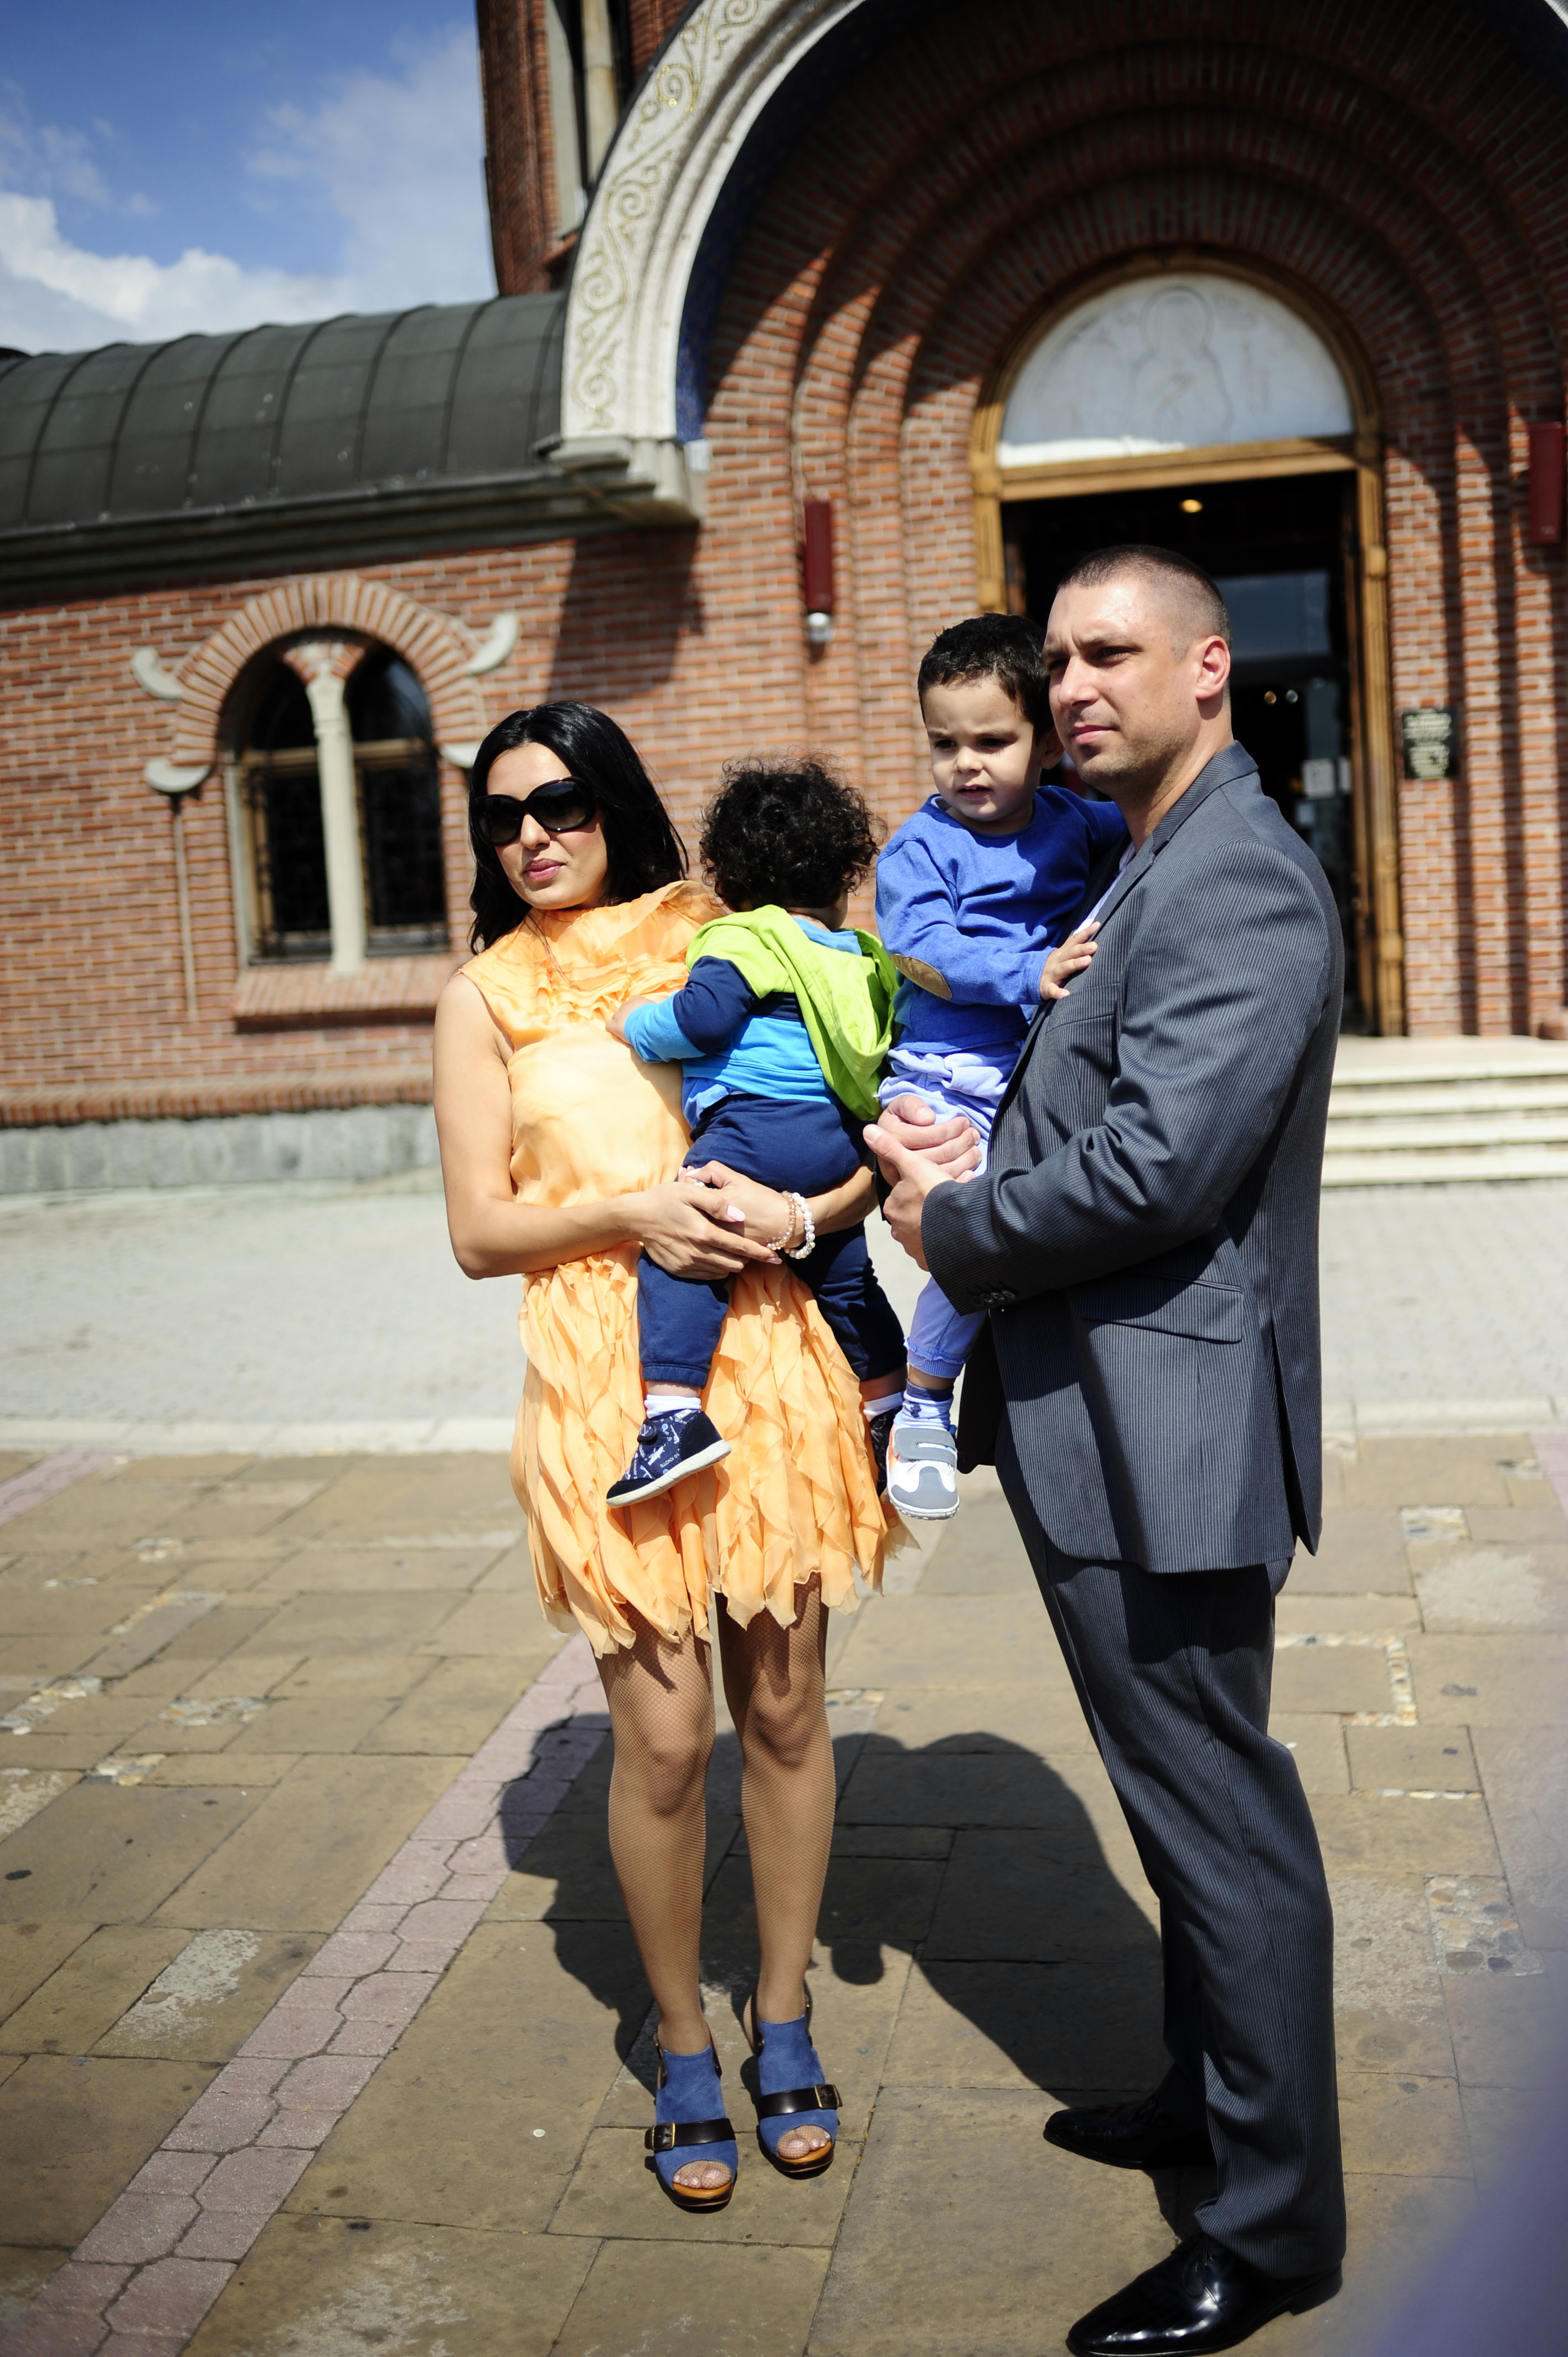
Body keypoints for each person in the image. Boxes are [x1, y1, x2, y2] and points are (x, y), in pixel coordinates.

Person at [870, 548, 1347, 2356]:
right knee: (1176, 1805)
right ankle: (1208, 2096)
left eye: (1109, 653)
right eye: (1058, 657)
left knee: (1223, 1824)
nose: (1071, 685)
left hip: (1170, 1434)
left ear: (1209, 666)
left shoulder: (1234, 875)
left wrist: (956, 1222)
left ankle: (1272, 2227)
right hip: (1106, 1419)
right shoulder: (1153, 848)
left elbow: (1162, 1167)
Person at [435, 703, 901, 2212]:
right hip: (600, 1375)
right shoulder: (484, 997)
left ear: (615, 804)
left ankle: (784, 2012)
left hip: (765, 1344)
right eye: (503, 816)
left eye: (561, 803)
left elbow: (857, 1107)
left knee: (786, 1710)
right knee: (663, 1739)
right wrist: (633, 1213)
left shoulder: (720, 923)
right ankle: (681, 2037)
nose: (533, 836)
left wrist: (809, 1216)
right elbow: (478, 1231)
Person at [873, 613, 1126, 1518]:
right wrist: (1030, 971)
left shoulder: (1076, 822)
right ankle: (923, 1402)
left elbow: (1155, 827)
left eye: (991, 741)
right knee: (973, 1230)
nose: (966, 765)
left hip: (1032, 1074)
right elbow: (922, 952)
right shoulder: (919, 849)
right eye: (945, 744)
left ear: (1047, 744)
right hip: (945, 1078)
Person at [604, 759, 906, 1508]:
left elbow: (703, 1020)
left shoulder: (744, 937)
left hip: (753, 1131)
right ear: (841, 875)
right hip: (835, 1139)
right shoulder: (858, 955)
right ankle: (891, 1408)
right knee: (848, 1280)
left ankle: (673, 1414)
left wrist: (635, 1024)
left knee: (684, 1249)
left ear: (733, 878)